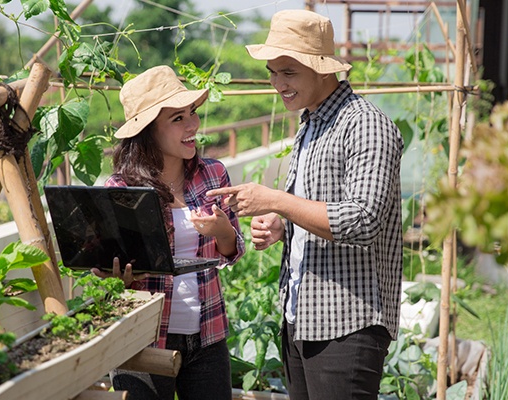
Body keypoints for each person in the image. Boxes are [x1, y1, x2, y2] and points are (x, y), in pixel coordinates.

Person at [206, 9, 404, 400]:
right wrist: (284, 227)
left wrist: (277, 200)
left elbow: (363, 220)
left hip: (347, 324)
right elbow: (319, 211)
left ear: (323, 69)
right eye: (272, 72)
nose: (277, 83)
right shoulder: (311, 124)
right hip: (303, 317)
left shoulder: (364, 124)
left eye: (289, 72)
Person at [92, 65, 245, 400]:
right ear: (147, 131)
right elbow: (104, 270)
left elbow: (234, 250)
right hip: (142, 336)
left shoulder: (213, 174)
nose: (193, 125)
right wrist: (115, 274)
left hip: (207, 333)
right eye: (177, 118)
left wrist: (223, 232)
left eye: (192, 113)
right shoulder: (121, 189)